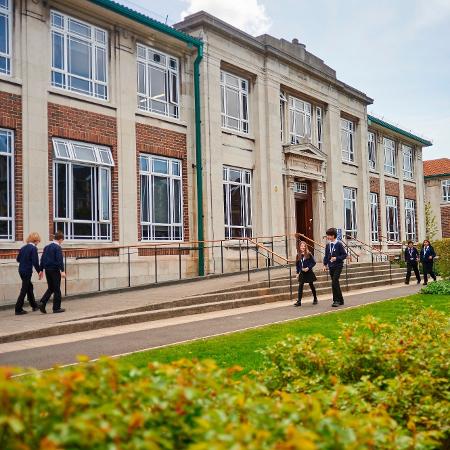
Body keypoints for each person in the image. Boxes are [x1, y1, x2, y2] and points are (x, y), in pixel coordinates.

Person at [15, 232, 43, 315]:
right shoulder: (33, 248)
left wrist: (25, 260)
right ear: (36, 240)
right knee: (24, 289)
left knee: (29, 287)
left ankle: (34, 305)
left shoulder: (23, 247)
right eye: (38, 241)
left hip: (21, 270)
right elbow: (35, 262)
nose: (38, 243)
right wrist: (39, 271)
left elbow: (18, 259)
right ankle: (18, 309)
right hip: (27, 271)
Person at [39, 231, 66, 314]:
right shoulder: (57, 248)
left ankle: (42, 302)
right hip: (54, 270)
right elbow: (59, 260)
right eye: (62, 240)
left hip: (47, 270)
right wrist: (62, 271)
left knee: (51, 288)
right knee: (57, 289)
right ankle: (56, 308)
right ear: (60, 239)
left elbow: (42, 259)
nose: (62, 242)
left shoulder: (47, 247)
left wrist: (41, 270)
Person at [323, 227, 347, 307]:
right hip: (331, 266)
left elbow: (344, 255)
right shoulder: (328, 245)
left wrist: (336, 258)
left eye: (329, 235)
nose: (327, 237)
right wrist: (324, 264)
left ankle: (336, 300)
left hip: (338, 266)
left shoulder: (339, 244)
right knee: (335, 283)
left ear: (333, 236)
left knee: (334, 282)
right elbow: (326, 256)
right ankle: (341, 300)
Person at [294, 240, 318, 307]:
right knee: (300, 286)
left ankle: (315, 298)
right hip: (302, 272)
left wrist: (308, 267)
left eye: (304, 246)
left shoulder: (309, 254)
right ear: (299, 247)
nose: (303, 247)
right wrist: (297, 273)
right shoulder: (298, 255)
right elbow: (297, 265)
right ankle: (299, 301)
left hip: (309, 272)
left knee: (311, 285)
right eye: (301, 246)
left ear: (306, 247)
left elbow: (314, 262)